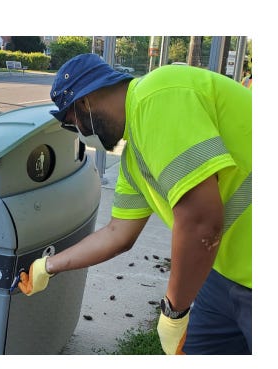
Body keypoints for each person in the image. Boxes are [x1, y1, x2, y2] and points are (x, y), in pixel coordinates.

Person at [18, 54, 252, 355]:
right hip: (224, 274)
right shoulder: (135, 158)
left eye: (71, 121)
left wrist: (174, 311)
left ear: (85, 103)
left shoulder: (157, 95)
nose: (78, 130)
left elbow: (200, 222)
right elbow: (117, 233)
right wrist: (47, 267)